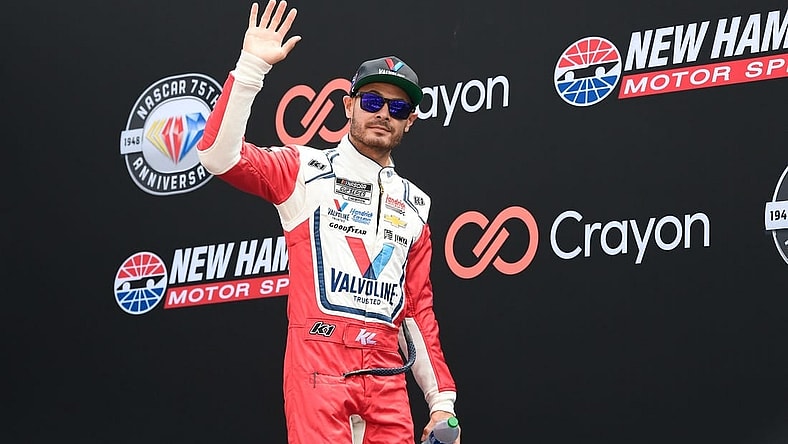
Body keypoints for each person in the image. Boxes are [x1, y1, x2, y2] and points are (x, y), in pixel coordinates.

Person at [196, 1, 459, 443]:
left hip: (386, 371)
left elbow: (416, 311)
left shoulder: (416, 205)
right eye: (373, 101)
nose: (383, 114)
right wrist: (251, 67)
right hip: (319, 361)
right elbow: (219, 156)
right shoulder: (304, 169)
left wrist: (441, 403)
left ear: (409, 122)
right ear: (348, 106)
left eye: (397, 109)